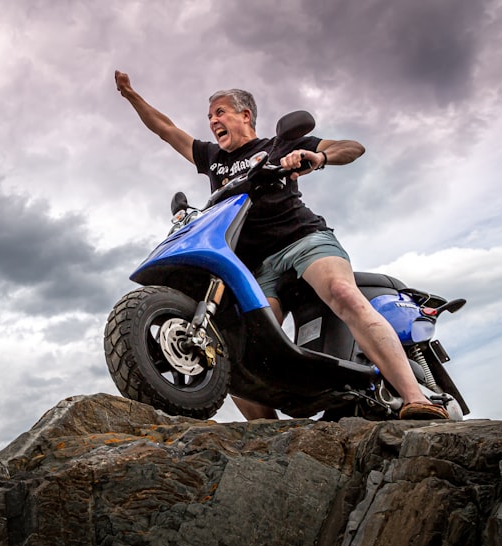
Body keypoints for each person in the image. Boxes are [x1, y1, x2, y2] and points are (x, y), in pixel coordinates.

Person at [113, 70, 448, 421]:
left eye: (220, 112)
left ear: (245, 115)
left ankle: (415, 398)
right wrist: (131, 96)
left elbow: (351, 147)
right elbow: (166, 130)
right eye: (210, 116)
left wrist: (318, 158)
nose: (213, 120)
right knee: (238, 346)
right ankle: (269, 436)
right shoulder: (213, 158)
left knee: (343, 294)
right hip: (255, 267)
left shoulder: (277, 145)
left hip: (302, 239)